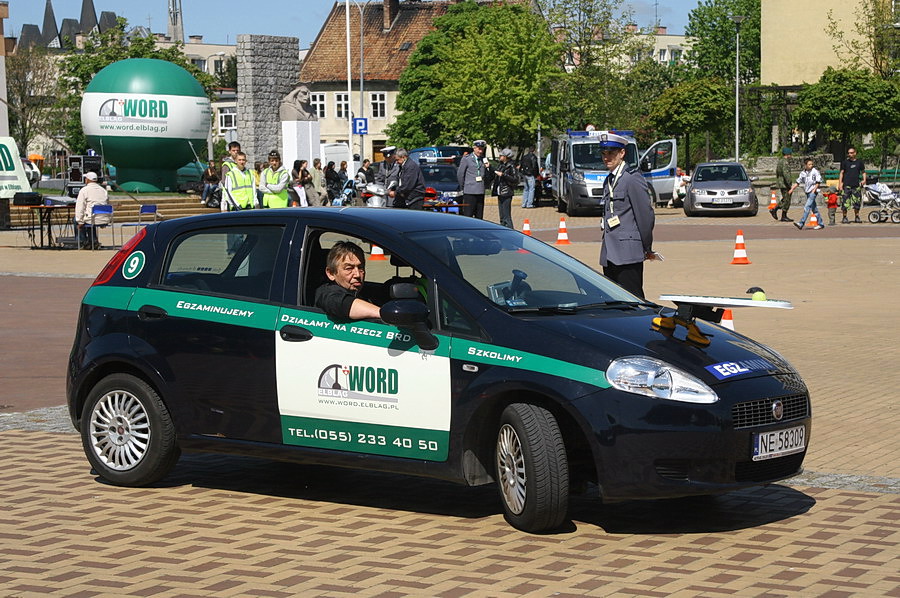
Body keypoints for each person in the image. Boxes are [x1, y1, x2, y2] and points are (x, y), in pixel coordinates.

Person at [597, 132, 656, 298]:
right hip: (610, 251)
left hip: (628, 252)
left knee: (634, 298)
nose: (606, 158)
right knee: (614, 299)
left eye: (611, 153)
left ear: (622, 153)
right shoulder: (609, 180)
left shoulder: (632, 178)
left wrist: (647, 246)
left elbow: (645, 216)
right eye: (604, 153)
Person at [315, 241, 384, 320]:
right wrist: (383, 314)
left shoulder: (362, 292)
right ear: (331, 273)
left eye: (360, 267)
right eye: (349, 268)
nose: (357, 274)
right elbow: (341, 304)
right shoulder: (326, 293)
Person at [458, 139, 493, 219]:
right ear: (474, 148)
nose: (480, 151)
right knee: (468, 215)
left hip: (480, 190)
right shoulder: (466, 159)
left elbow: (489, 175)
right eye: (479, 149)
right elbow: (460, 175)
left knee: (479, 216)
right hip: (470, 191)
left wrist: (489, 167)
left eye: (482, 149)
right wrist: (463, 187)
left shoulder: (483, 159)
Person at [74, 171, 110, 249]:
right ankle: (93, 241)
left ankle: (84, 241)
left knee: (78, 219)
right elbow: (106, 204)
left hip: (92, 218)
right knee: (90, 217)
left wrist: (79, 221)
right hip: (104, 218)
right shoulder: (104, 191)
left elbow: (79, 207)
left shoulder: (84, 190)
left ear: (87, 180)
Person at [788, 158, 825, 230]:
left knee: (807, 207)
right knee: (814, 209)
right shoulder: (803, 173)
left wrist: (814, 190)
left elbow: (818, 181)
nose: (811, 166)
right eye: (809, 164)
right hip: (807, 192)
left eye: (812, 164)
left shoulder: (815, 171)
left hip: (813, 192)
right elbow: (798, 182)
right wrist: (792, 189)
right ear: (805, 165)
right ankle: (821, 223)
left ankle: (801, 223)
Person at [838, 146, 866, 223]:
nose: (849, 154)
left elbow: (863, 172)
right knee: (845, 202)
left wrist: (864, 180)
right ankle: (844, 217)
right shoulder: (844, 162)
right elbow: (841, 173)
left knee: (857, 202)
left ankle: (857, 217)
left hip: (856, 186)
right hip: (846, 185)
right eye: (849, 153)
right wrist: (840, 184)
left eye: (851, 153)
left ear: (855, 153)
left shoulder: (859, 162)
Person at [494, 148, 519, 228]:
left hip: (507, 191)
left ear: (506, 157)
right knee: (502, 216)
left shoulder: (511, 165)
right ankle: (503, 230)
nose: (500, 156)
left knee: (506, 215)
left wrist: (503, 175)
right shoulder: (501, 165)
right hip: (500, 191)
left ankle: (511, 231)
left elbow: (515, 179)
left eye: (501, 155)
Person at [773, 147, 794, 222]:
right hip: (785, 184)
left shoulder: (780, 161)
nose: (791, 156)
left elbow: (777, 173)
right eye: (790, 154)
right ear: (788, 154)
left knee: (785, 198)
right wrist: (789, 183)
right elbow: (786, 174)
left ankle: (778, 212)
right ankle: (780, 213)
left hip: (781, 182)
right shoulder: (785, 162)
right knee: (787, 199)